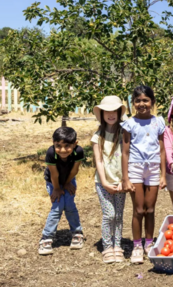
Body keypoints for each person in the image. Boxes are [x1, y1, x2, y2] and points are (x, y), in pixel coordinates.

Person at [121, 85, 166, 264]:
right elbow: (124, 152)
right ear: (133, 103)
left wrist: (163, 175)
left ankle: (149, 242)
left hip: (154, 168)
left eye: (145, 100)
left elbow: (162, 150)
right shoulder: (129, 124)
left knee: (151, 209)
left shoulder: (158, 122)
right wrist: (125, 177)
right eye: (138, 100)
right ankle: (137, 245)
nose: (142, 104)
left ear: (152, 102)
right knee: (139, 209)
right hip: (135, 168)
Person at [38, 127, 85, 255]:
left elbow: (75, 170)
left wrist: (68, 183)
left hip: (69, 179)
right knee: (58, 207)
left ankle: (77, 233)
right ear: (53, 142)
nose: (62, 150)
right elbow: (54, 174)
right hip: (53, 182)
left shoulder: (79, 151)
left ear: (75, 144)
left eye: (67, 146)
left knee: (69, 206)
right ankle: (46, 237)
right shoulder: (51, 152)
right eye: (58, 145)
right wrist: (57, 189)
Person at [91, 96, 127, 263]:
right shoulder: (98, 136)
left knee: (119, 215)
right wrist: (105, 182)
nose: (111, 114)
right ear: (102, 114)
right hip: (103, 182)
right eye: (108, 111)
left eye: (115, 111)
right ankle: (107, 246)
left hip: (120, 181)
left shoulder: (124, 133)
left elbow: (128, 156)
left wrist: (123, 181)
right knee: (109, 215)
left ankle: (117, 245)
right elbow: (98, 160)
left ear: (119, 113)